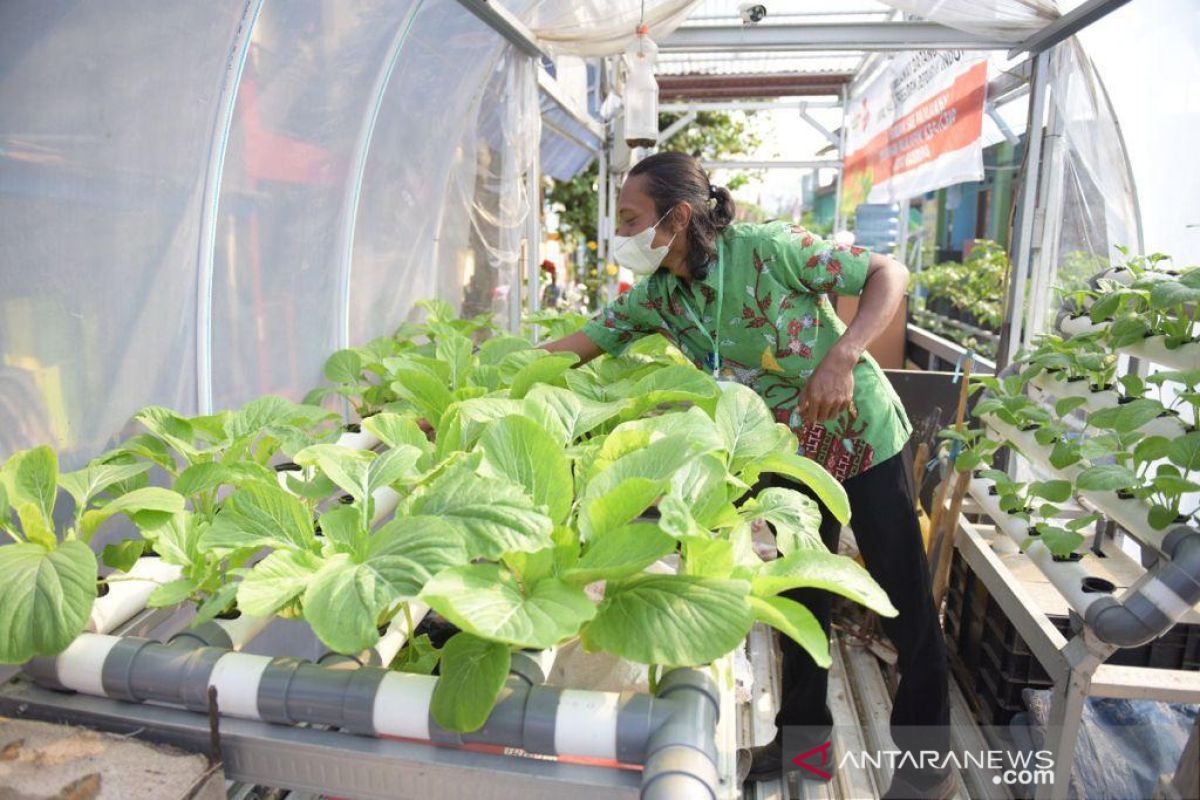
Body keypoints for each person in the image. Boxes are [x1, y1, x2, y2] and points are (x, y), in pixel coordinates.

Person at [543, 152, 952, 799]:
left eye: (630, 218)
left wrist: (844, 353)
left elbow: (886, 271)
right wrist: (488, 385)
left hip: (859, 436)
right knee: (799, 601)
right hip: (783, 450)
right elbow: (575, 346)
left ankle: (930, 773)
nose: (621, 234)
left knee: (902, 603)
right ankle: (804, 750)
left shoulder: (765, 249)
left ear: (677, 218)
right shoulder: (660, 298)